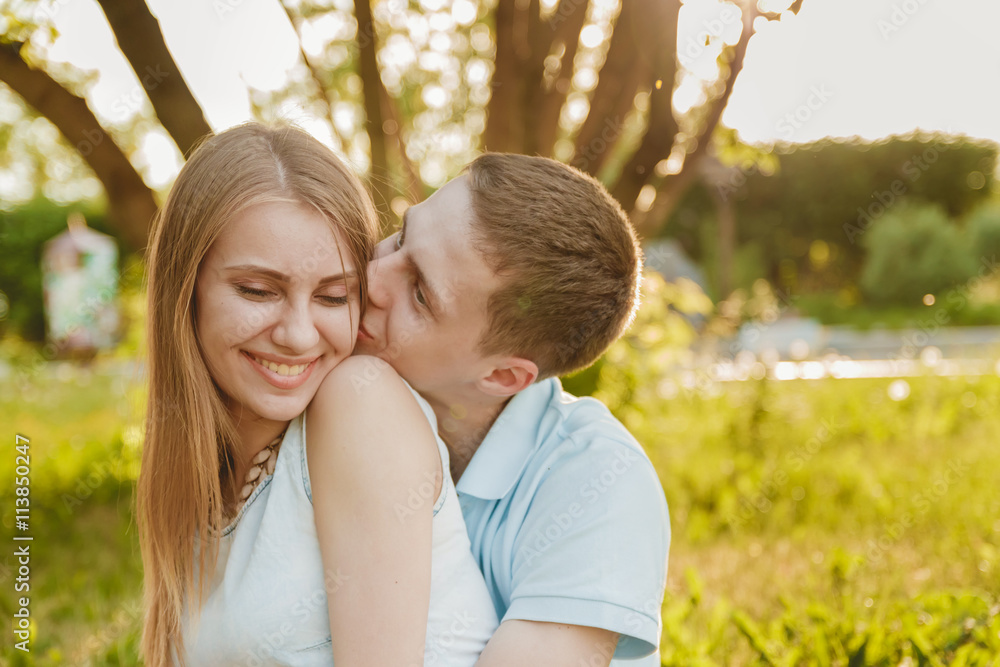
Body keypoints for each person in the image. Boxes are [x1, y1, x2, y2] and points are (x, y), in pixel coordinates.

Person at [137, 122, 497, 666]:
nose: (299, 335)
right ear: (186, 291)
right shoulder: (199, 472)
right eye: (258, 291)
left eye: (333, 296)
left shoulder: (360, 403)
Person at [354, 153, 671, 665]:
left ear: (502, 376)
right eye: (400, 237)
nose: (369, 277)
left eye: (419, 294)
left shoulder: (599, 483)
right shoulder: (329, 390)